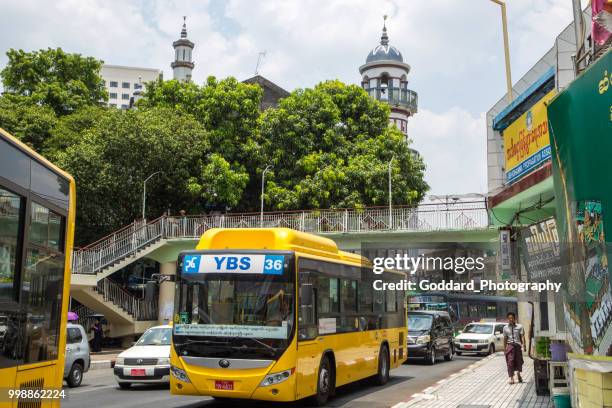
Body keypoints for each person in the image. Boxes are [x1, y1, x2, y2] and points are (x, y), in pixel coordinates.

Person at [503, 312, 526, 384]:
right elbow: (505, 338)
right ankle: (512, 378)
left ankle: (518, 374)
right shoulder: (505, 328)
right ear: (507, 319)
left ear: (514, 319)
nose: (511, 319)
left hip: (517, 346)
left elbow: (522, 337)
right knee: (510, 362)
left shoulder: (520, 326)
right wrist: (504, 348)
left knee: (519, 361)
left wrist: (524, 345)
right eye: (509, 318)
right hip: (510, 346)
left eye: (512, 318)